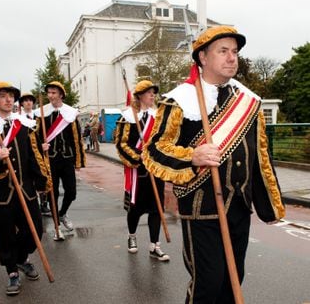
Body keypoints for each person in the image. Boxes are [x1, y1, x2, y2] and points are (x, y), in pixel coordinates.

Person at [142, 26, 285, 303]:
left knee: (233, 283)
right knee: (208, 283)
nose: (232, 58)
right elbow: (154, 150)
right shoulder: (179, 101)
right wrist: (192, 157)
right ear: (203, 58)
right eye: (223, 51)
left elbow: (260, 158)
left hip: (239, 208)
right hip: (202, 208)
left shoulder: (248, 102)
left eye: (235, 52)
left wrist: (269, 205)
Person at [0, 81, 49, 296]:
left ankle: (22, 258)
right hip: (0, 194)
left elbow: (34, 156)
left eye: (11, 96)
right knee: (3, 235)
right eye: (3, 96)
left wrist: (42, 182)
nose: (9, 100)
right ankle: (12, 271)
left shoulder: (24, 125)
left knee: (35, 231)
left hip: (26, 190)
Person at [115, 80, 169, 262]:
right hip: (138, 171)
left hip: (155, 170)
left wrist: (158, 157)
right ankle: (132, 236)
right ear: (139, 96)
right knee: (136, 209)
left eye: (154, 92)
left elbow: (163, 142)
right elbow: (121, 143)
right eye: (149, 93)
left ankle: (155, 245)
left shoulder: (158, 116)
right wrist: (139, 157)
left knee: (156, 209)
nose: (152, 95)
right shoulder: (128, 117)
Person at [33, 81, 86, 240]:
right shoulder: (42, 113)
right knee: (52, 193)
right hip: (50, 159)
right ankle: (57, 228)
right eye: (49, 93)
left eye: (54, 93)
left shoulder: (70, 113)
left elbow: (76, 138)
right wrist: (40, 145)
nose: (50, 96)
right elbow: (35, 135)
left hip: (67, 158)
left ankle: (62, 214)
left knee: (71, 192)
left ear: (61, 94)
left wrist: (79, 161)